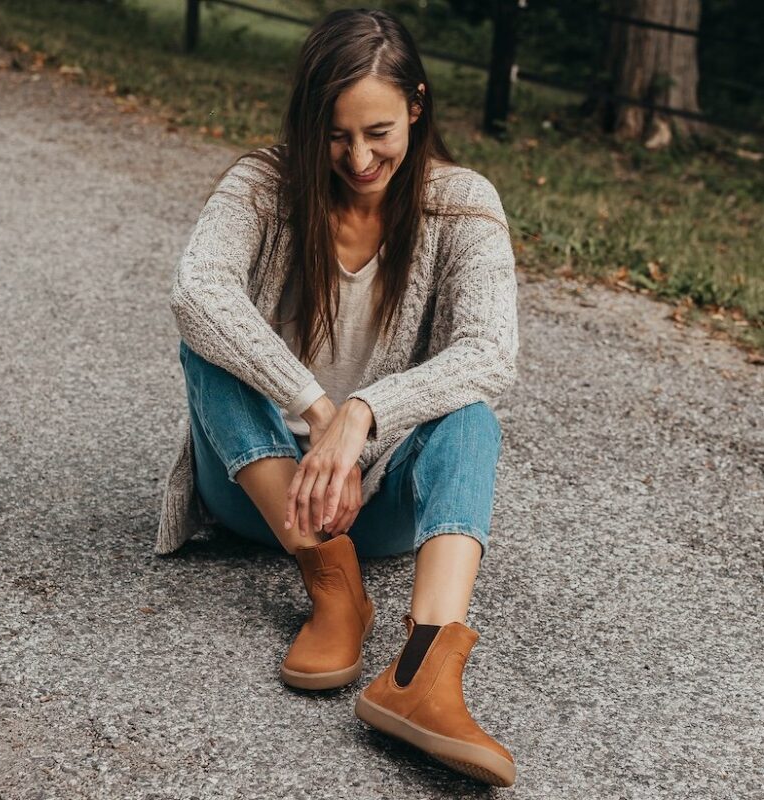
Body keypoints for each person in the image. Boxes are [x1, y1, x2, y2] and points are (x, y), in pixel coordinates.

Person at [156, 7, 519, 788]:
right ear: (308, 121)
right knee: (208, 339)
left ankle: (423, 669)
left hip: (376, 496)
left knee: (469, 410)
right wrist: (318, 409)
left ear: (416, 107)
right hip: (260, 493)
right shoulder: (263, 182)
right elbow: (196, 290)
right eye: (335, 133)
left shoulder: (462, 203)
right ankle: (333, 587)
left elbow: (492, 352)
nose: (358, 157)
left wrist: (363, 415)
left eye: (379, 131)